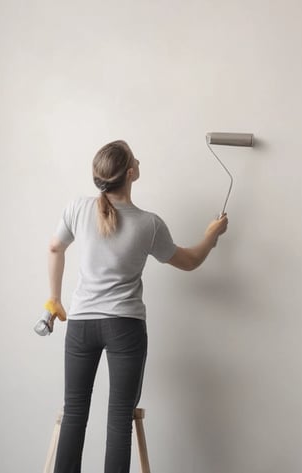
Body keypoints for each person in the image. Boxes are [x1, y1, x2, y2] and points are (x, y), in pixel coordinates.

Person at [45, 140, 228, 473]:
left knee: (75, 413)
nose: (139, 160)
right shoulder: (149, 224)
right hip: (124, 328)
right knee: (119, 420)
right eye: (135, 159)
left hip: (82, 325)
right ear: (130, 173)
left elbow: (55, 247)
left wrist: (55, 299)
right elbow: (188, 261)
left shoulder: (76, 208)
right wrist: (211, 237)